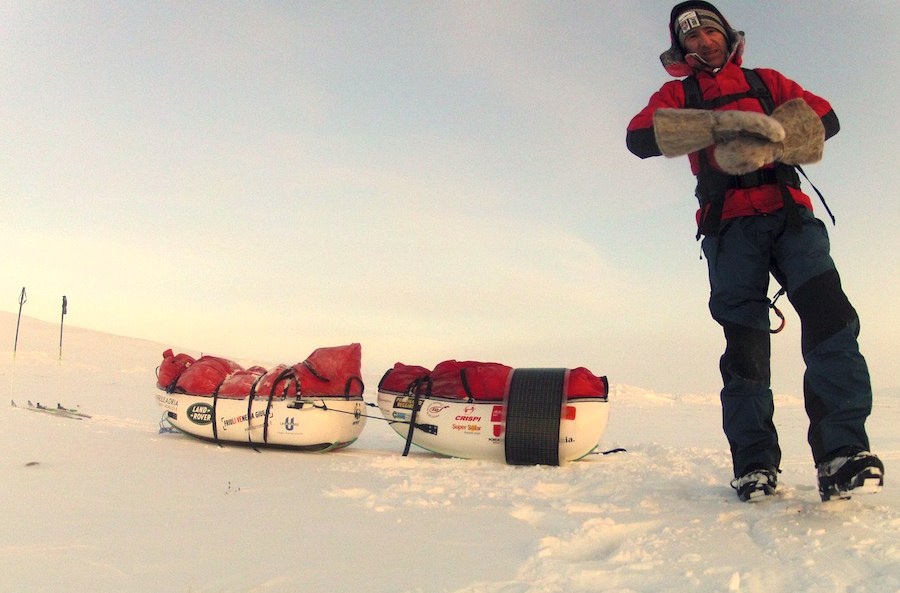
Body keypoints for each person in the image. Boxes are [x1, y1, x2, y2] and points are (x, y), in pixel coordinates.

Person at [625, 1, 883, 502]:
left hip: (791, 217)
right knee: (745, 349)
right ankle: (755, 467)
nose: (703, 42)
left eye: (709, 32)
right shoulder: (677, 93)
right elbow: (639, 137)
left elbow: (826, 118)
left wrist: (774, 140)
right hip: (729, 229)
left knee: (832, 322)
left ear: (726, 36)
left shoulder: (769, 81)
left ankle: (842, 455)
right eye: (691, 37)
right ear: (682, 48)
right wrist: (719, 127)